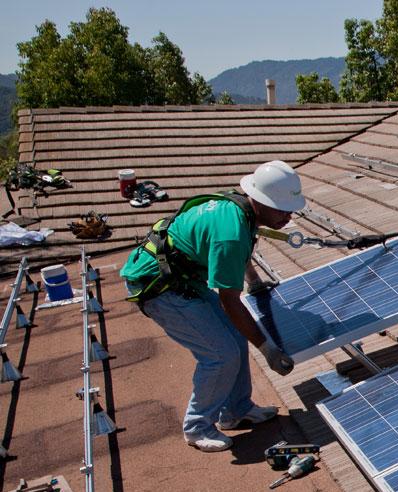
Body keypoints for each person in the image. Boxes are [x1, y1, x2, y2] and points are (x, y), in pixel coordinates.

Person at [120, 160, 304, 452]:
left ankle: (236, 411)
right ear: (259, 201)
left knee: (235, 338)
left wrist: (254, 281)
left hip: (182, 276)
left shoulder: (242, 208)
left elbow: (243, 251)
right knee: (221, 354)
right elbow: (229, 300)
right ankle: (197, 427)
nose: (288, 216)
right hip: (160, 287)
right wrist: (268, 349)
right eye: (280, 208)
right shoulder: (230, 233)